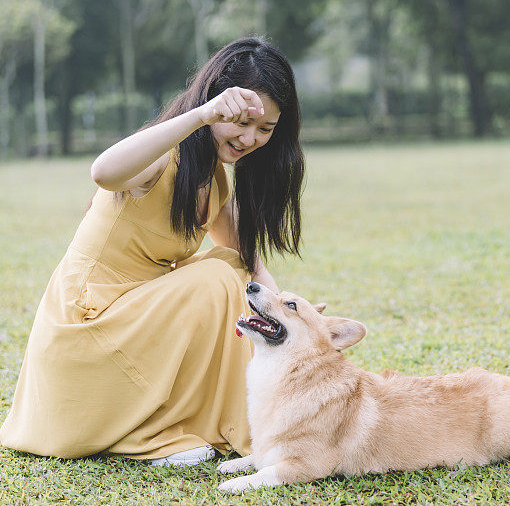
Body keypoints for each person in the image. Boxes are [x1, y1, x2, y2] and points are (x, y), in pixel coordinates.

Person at [0, 37, 304, 466]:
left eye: (266, 129)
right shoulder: (165, 155)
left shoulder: (215, 182)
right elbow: (103, 171)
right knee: (216, 277)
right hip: (86, 333)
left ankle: (195, 421)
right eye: (241, 121)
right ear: (216, 102)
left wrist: (300, 326)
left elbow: (249, 262)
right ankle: (148, 434)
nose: (249, 138)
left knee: (229, 267)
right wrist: (200, 115)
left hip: (131, 333)